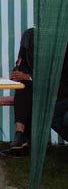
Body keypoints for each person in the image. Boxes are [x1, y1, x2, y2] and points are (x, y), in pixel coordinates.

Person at [7, 27, 68, 155]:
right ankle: (20, 135)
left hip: (59, 89)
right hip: (37, 87)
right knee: (24, 86)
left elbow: (60, 74)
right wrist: (17, 72)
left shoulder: (61, 42)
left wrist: (30, 76)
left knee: (27, 85)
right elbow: (21, 63)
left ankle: (22, 139)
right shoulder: (29, 37)